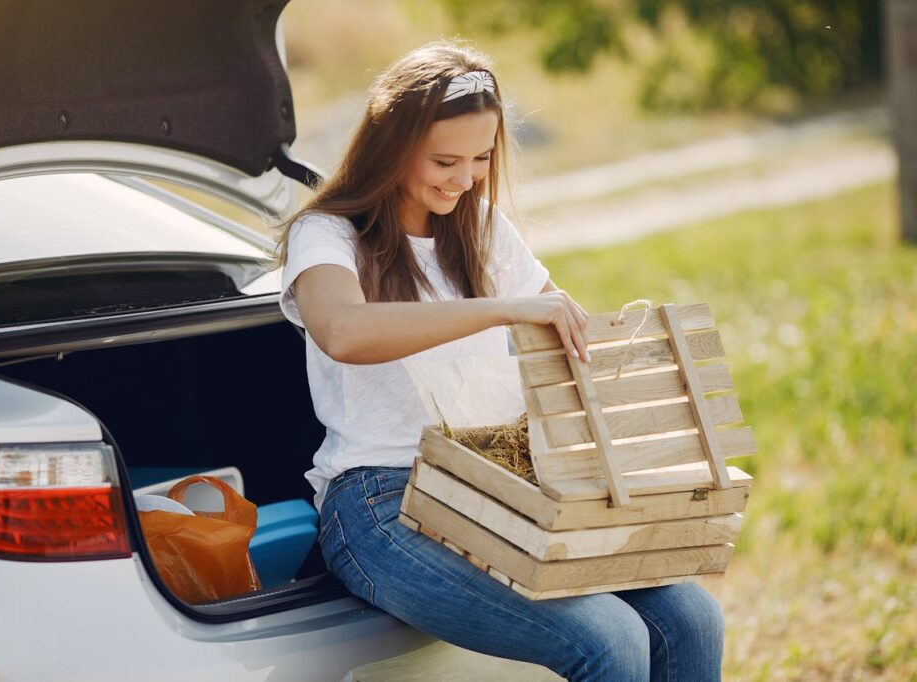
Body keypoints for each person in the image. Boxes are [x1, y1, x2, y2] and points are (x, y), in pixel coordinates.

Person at [276, 41, 724, 681]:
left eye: (481, 159)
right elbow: (342, 331)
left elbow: (567, 333)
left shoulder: (478, 227)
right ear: (392, 147)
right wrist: (501, 309)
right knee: (611, 640)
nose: (465, 178)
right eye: (444, 161)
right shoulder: (326, 234)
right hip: (381, 504)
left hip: (501, 486)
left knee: (693, 618)